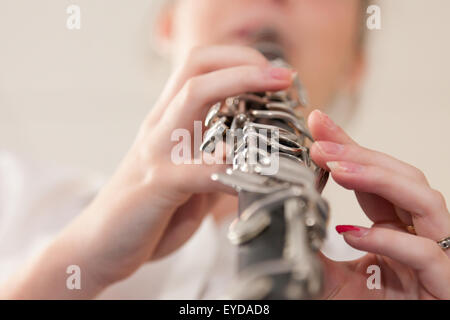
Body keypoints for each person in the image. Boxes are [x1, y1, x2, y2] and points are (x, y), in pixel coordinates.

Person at [0, 0, 449, 300]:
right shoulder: (15, 194)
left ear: (356, 64)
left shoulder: (383, 276)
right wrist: (80, 259)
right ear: (169, 22)